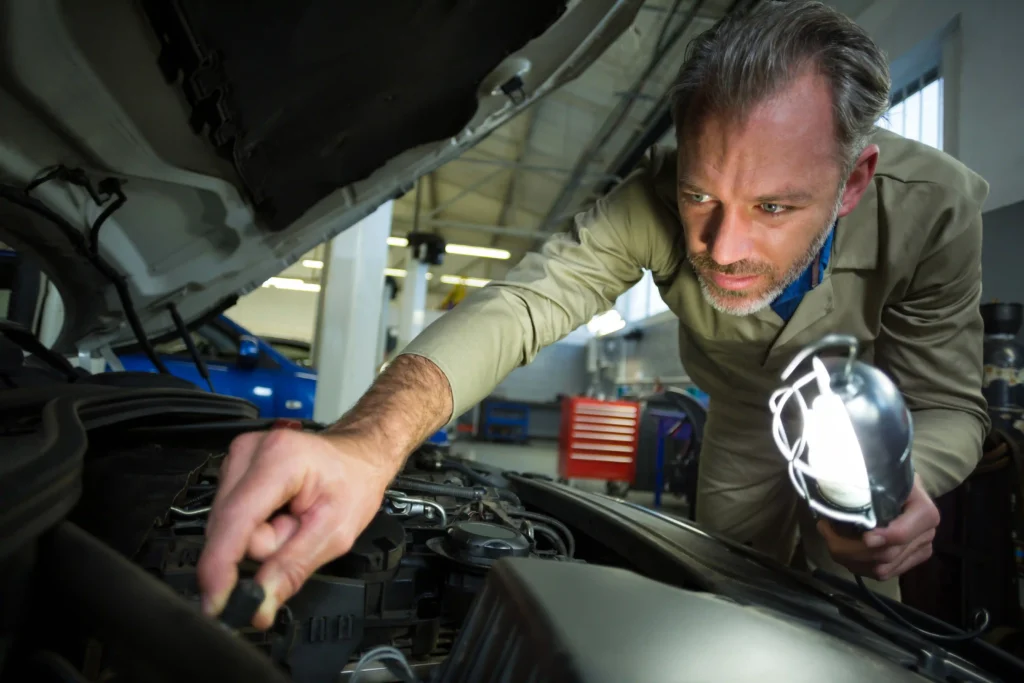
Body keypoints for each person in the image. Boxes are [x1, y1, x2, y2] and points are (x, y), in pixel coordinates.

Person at [197, 0, 990, 629]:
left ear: (854, 183)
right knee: (728, 593)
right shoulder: (649, 196)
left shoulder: (934, 209)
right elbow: (525, 303)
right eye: (701, 196)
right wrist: (369, 442)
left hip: (867, 434)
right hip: (744, 415)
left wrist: (906, 482)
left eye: (774, 206)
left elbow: (950, 404)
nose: (722, 248)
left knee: (859, 610)